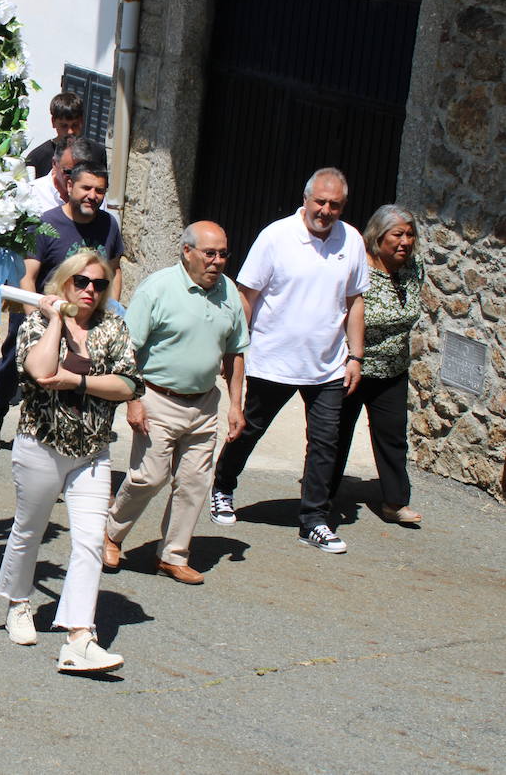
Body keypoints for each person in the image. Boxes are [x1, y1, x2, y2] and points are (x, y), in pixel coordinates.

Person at [0, 250, 141, 674]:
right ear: (65, 283)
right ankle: (19, 603)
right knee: (29, 528)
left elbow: (129, 382)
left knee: (91, 540)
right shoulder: (38, 322)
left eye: (99, 284)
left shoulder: (113, 327)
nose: (90, 291)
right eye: (82, 282)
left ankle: (80, 636)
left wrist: (77, 380)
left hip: (91, 452)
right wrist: (57, 319)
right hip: (41, 445)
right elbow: (39, 371)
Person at [210, 168, 368, 554]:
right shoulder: (276, 236)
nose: (326, 210)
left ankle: (313, 519)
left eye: (335, 205)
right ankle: (222, 487)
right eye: (321, 202)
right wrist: (232, 351)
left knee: (326, 442)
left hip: (328, 365)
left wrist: (356, 356)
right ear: (306, 199)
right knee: (249, 429)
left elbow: (355, 300)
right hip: (273, 360)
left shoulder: (353, 240)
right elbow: (246, 295)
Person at [102, 222, 248, 585]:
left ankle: (173, 555)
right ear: (187, 252)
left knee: (195, 482)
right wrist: (134, 399)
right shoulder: (159, 288)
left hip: (203, 403)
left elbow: (236, 352)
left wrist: (235, 405)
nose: (217, 262)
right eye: (209, 254)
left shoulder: (229, 293)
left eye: (223, 254)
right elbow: (129, 347)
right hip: (157, 397)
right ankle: (110, 533)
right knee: (149, 476)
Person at [0, 138, 123, 452]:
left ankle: (70, 443)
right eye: (86, 188)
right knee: (11, 365)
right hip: (44, 313)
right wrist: (39, 322)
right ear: (69, 185)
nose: (93, 196)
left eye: (99, 191)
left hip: (87, 321)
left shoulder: (109, 225)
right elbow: (28, 277)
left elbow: (114, 271)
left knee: (73, 381)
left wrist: (108, 311)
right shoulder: (47, 224)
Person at [333, 204, 423, 525]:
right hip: (352, 368)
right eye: (397, 234)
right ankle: (321, 496)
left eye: (410, 234)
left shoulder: (414, 268)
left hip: (392, 370)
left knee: (393, 435)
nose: (405, 241)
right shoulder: (360, 270)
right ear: (377, 236)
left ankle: (394, 503)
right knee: (336, 433)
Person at [23, 92, 84, 180]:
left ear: (81, 122)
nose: (70, 131)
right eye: (64, 126)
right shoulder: (37, 158)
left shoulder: (95, 153)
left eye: (75, 125)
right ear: (53, 122)